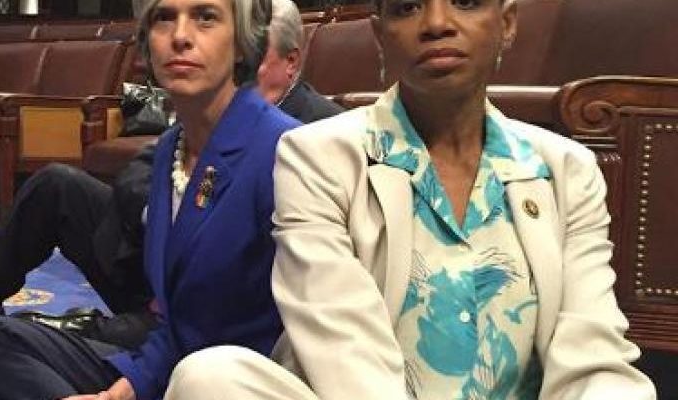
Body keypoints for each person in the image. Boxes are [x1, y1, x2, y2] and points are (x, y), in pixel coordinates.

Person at [164, 0, 657, 399]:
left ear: (507, 24)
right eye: (407, 8)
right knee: (210, 379)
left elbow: (592, 353)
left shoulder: (566, 169)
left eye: (466, 3)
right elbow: (346, 355)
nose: (437, 23)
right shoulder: (315, 155)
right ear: (380, 35)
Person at [0, 0, 302, 398]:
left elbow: (303, 334)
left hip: (232, 383)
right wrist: (125, 389)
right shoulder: (172, 147)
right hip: (165, 364)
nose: (180, 36)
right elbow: (176, 324)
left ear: (241, 43)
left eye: (205, 17)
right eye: (163, 18)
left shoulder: (284, 149)